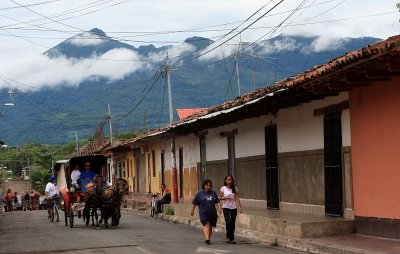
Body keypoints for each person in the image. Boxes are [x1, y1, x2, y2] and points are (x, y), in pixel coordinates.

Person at [190, 179, 222, 245]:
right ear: (204, 185)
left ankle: (208, 239)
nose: (208, 187)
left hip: (212, 213)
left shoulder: (213, 193)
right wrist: (192, 210)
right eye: (207, 185)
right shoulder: (199, 193)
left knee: (210, 226)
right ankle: (207, 239)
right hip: (203, 213)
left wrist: (219, 208)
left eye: (209, 185)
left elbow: (218, 201)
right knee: (206, 225)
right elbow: (194, 203)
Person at [219, 175, 243, 244]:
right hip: (226, 207)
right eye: (228, 180)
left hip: (233, 207)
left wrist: (240, 207)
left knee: (232, 223)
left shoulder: (235, 188)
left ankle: (231, 239)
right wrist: (226, 197)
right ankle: (228, 235)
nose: (229, 181)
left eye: (230, 180)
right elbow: (219, 198)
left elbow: (237, 198)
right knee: (228, 221)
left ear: (232, 181)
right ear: (225, 181)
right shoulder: (223, 188)